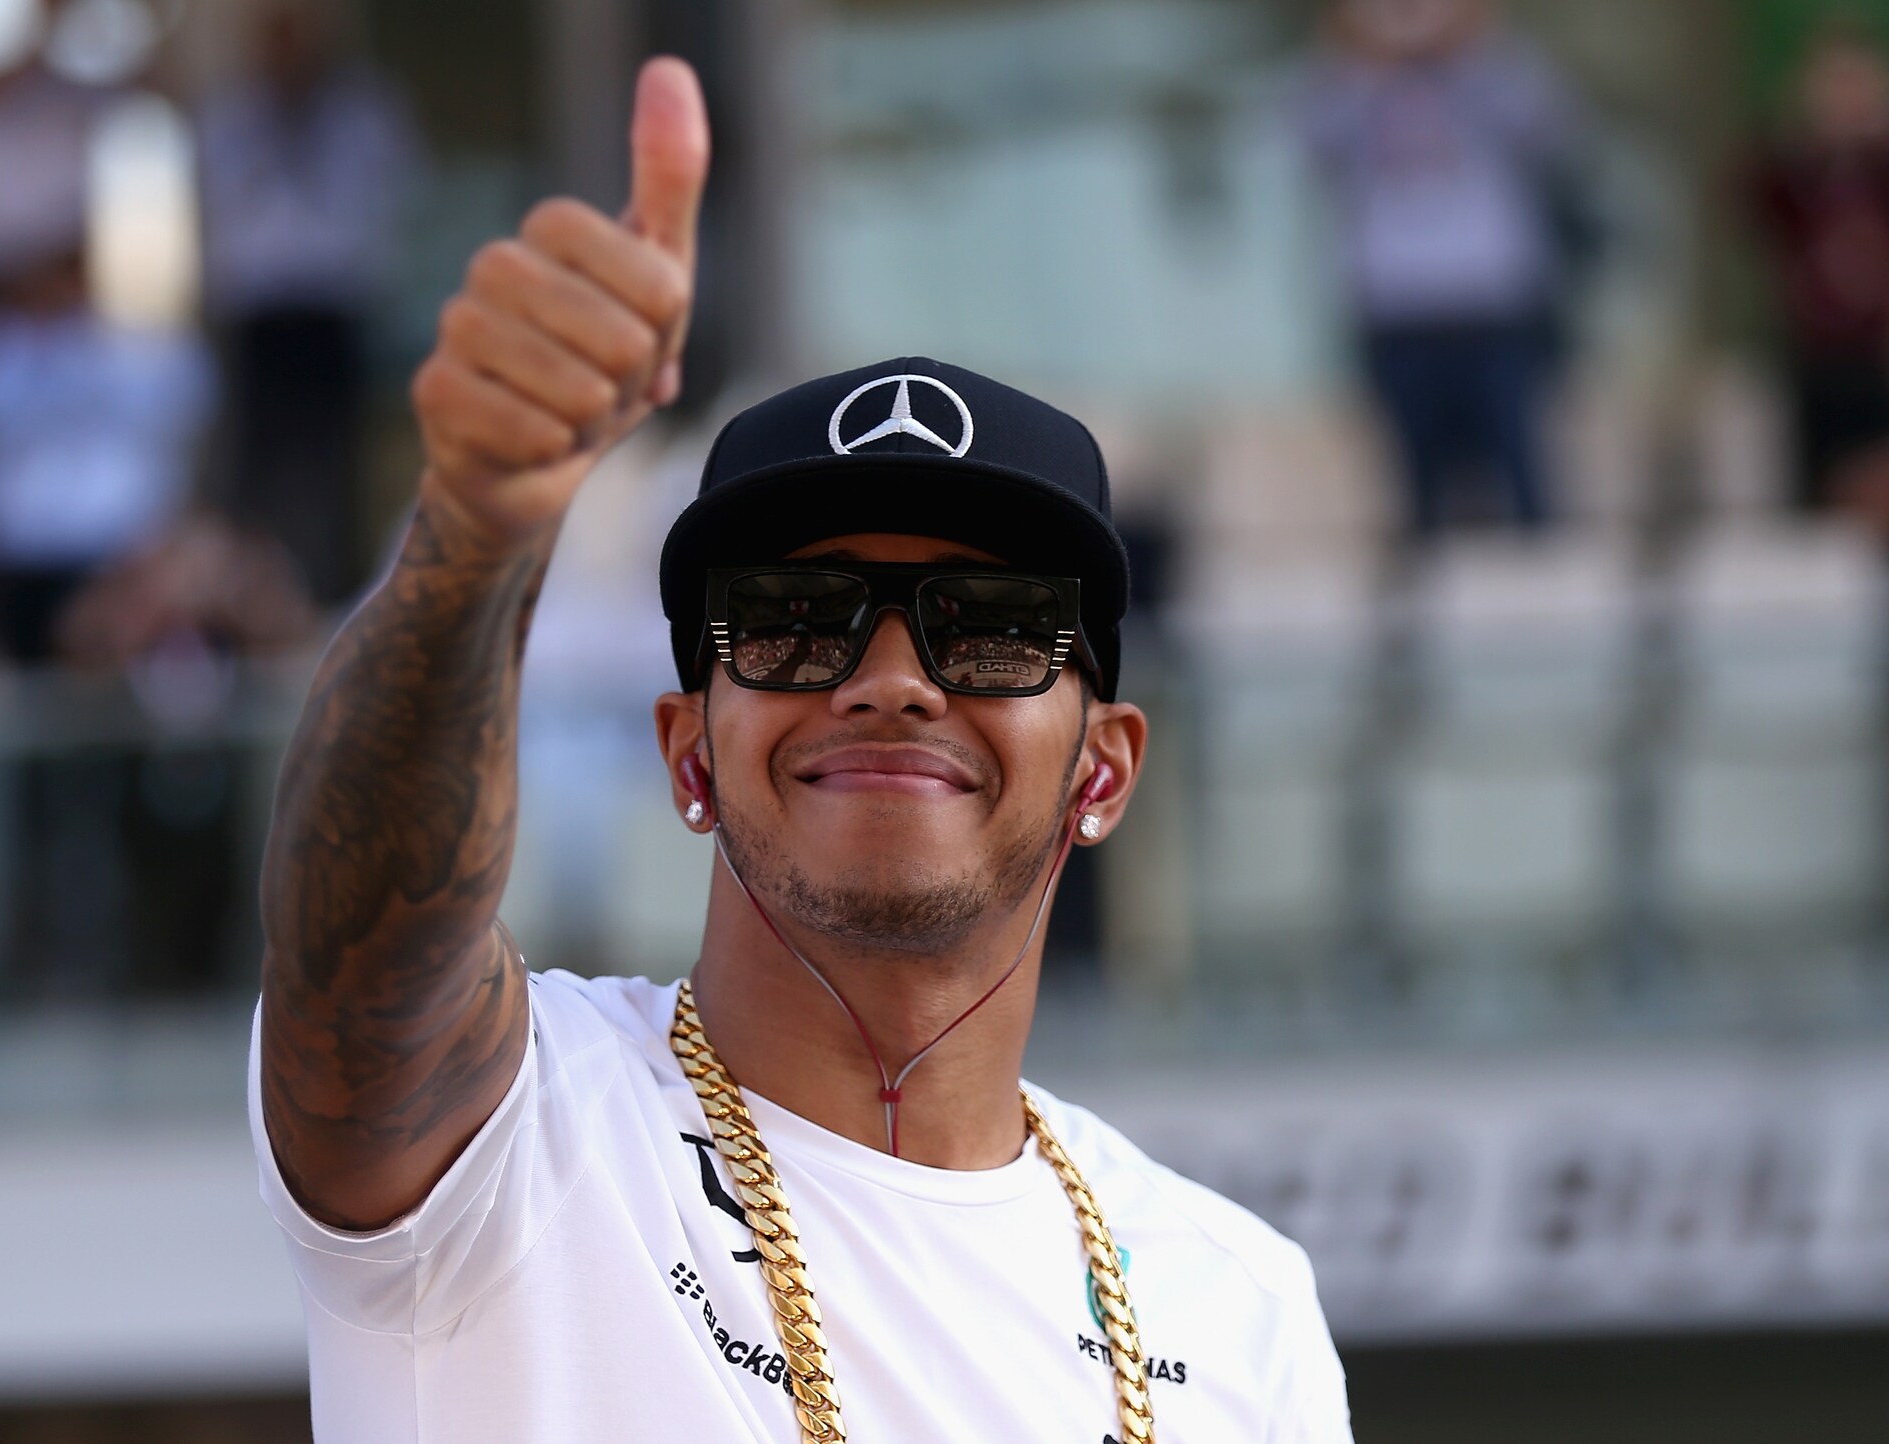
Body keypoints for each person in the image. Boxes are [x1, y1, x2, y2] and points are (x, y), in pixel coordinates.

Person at [251, 59, 1351, 1443]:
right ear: (689, 755)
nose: (889, 682)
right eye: (791, 620)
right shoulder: (514, 1139)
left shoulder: (1237, 1306)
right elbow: (360, 947)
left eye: (993, 628)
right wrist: (480, 526)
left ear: (1105, 769)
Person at [1296, 0, 1580, 538]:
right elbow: (1309, 140)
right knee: (1416, 493)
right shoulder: (1349, 80)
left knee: (1524, 481)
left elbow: (1550, 128)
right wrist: (1362, 55)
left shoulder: (1492, 70)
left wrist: (1473, 43)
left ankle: (1544, 584)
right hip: (1397, 313)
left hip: (1493, 310)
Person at [196, 0, 417, 606]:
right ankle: (254, 604)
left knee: (333, 469)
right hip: (257, 318)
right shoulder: (230, 117)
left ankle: (329, 595)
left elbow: (395, 204)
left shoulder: (364, 112)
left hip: (331, 314)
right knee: (254, 472)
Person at [1753, 22, 1889, 515]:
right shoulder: (1802, 174)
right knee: (1817, 491)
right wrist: (1806, 138)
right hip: (1817, 356)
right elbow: (1758, 200)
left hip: (1878, 354)